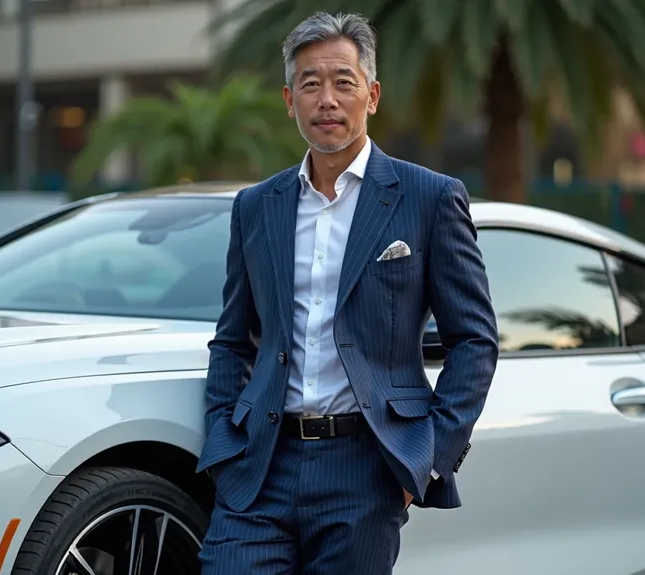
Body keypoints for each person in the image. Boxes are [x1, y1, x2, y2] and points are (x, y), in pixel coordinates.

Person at [195, 10, 499, 574]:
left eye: (343, 82)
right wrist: (223, 437)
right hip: (260, 467)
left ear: (373, 95)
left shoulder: (429, 198)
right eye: (310, 84)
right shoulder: (257, 206)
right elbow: (234, 338)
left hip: (366, 467)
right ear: (289, 100)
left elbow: (474, 341)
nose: (327, 99)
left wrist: (426, 459)